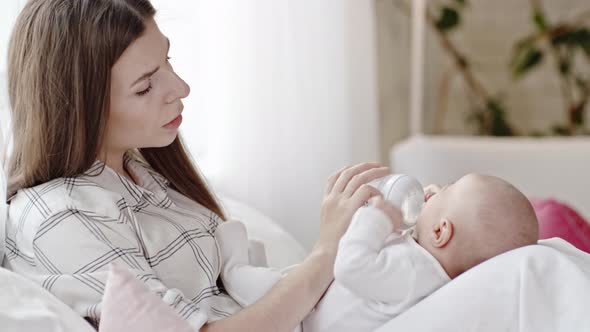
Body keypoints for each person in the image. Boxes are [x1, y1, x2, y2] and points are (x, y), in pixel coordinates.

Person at [1, 0, 390, 330]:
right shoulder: (60, 216)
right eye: (145, 86)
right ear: (77, 108)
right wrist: (326, 252)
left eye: (167, 60)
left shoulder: (144, 178)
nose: (180, 88)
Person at [215, 173, 540, 331]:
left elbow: (352, 266)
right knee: (275, 278)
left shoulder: (415, 272)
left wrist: (376, 219)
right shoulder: (418, 261)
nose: (434, 189)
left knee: (253, 284)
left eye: (447, 190)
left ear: (441, 232)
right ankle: (249, 261)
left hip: (301, 322)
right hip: (311, 305)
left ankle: (231, 265)